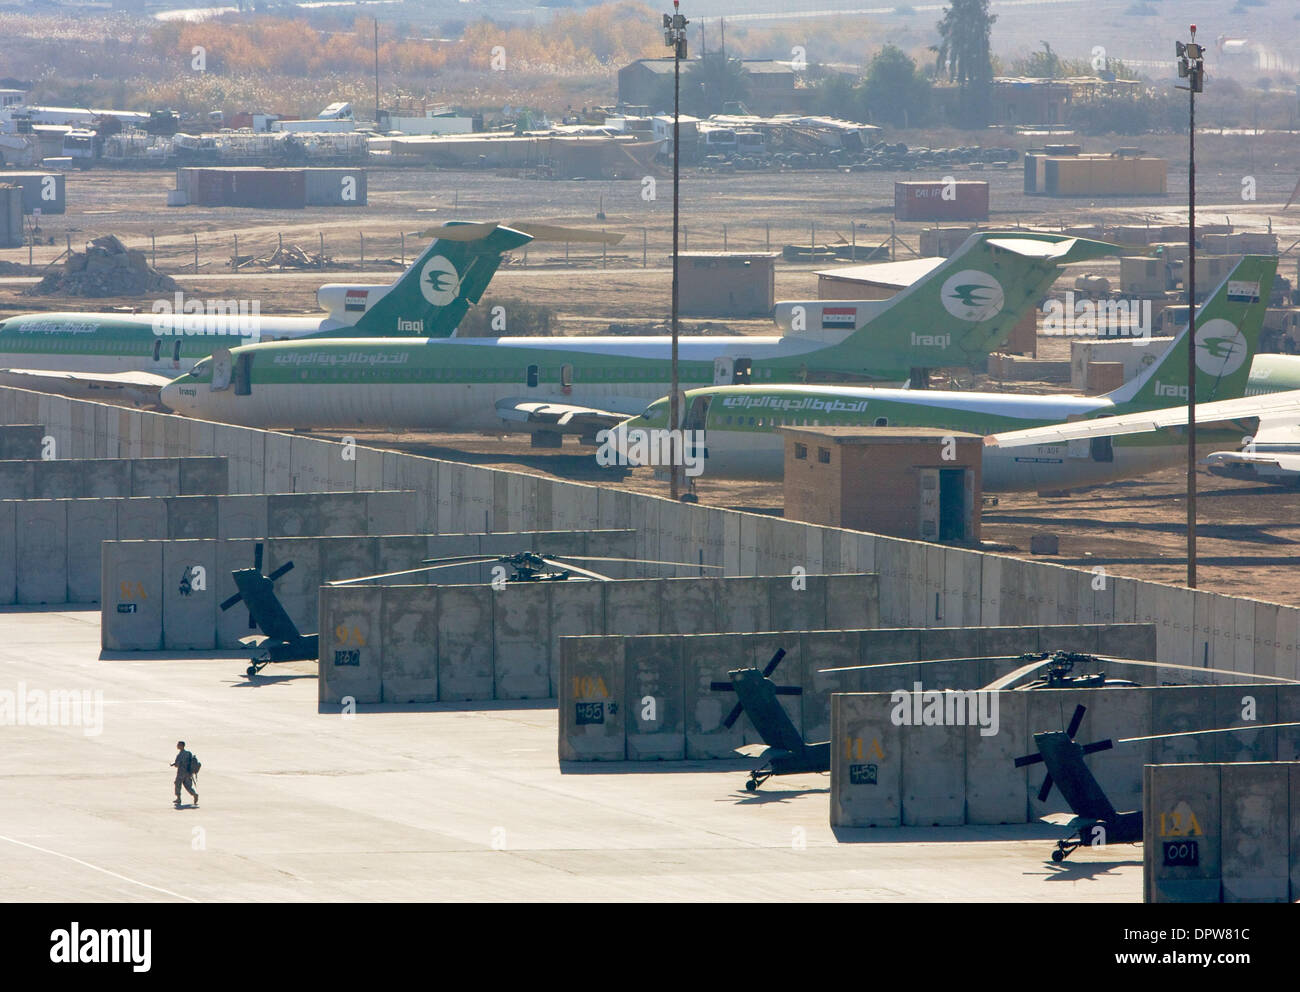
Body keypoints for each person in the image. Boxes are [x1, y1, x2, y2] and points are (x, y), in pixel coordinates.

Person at [171, 740, 198, 807]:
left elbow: (177, 765)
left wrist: (174, 765)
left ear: (181, 746)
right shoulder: (188, 753)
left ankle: (178, 798)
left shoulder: (180, 755)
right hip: (188, 773)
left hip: (181, 773)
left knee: (177, 784)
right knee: (188, 786)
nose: (177, 746)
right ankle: (194, 794)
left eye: (178, 745)